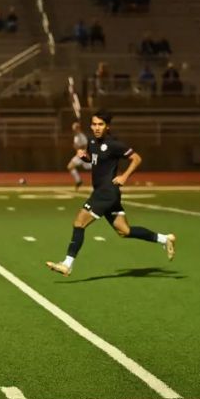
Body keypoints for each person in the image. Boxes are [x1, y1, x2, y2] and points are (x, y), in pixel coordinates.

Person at [46, 110, 176, 277]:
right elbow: (94, 160)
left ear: (108, 126)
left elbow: (137, 158)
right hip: (107, 193)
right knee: (124, 231)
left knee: (79, 223)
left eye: (101, 124)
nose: (97, 127)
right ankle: (165, 239)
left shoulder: (114, 144)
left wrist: (124, 176)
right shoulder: (92, 141)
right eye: (94, 124)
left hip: (105, 193)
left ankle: (67, 264)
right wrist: (84, 156)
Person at [67, 121, 92, 190]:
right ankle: (78, 181)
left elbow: (85, 146)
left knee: (94, 168)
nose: (73, 130)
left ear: (78, 128)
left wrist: (77, 147)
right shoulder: (76, 136)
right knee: (70, 167)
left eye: (75, 129)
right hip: (79, 155)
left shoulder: (82, 136)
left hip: (82, 155)